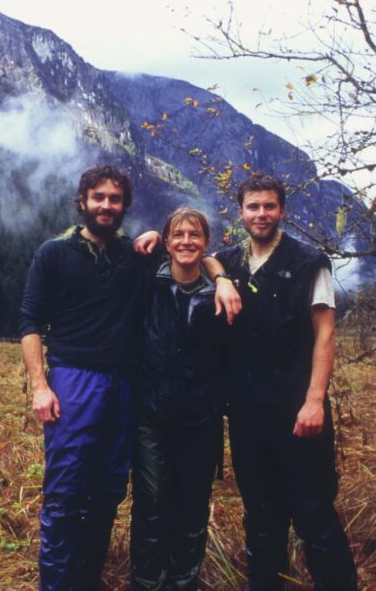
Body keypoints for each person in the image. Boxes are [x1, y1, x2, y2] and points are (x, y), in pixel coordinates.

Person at [19, 165, 240, 591]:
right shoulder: (53, 252)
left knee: (107, 495)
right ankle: (57, 584)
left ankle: (88, 579)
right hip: (72, 380)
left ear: (124, 206)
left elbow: (191, 250)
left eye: (114, 199)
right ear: (82, 201)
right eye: (98, 197)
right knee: (65, 494)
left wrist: (223, 277)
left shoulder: (135, 255)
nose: (106, 205)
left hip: (125, 387)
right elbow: (30, 320)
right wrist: (39, 386)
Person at [214, 174, 358, 591]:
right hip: (247, 415)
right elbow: (206, 259)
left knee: (314, 513)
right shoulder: (231, 261)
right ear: (240, 212)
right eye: (253, 207)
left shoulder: (308, 261)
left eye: (269, 206)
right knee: (260, 515)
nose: (261, 214)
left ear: (282, 210)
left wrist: (315, 401)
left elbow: (326, 334)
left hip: (299, 413)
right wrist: (220, 276)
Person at [130, 207, 227, 591]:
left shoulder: (217, 295)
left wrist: (223, 277)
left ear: (206, 244)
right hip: (150, 414)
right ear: (167, 242)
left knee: (191, 507)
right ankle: (146, 583)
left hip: (199, 419)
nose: (186, 241)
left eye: (194, 235)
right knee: (151, 503)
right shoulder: (148, 281)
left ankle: (183, 583)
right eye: (178, 235)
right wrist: (152, 230)